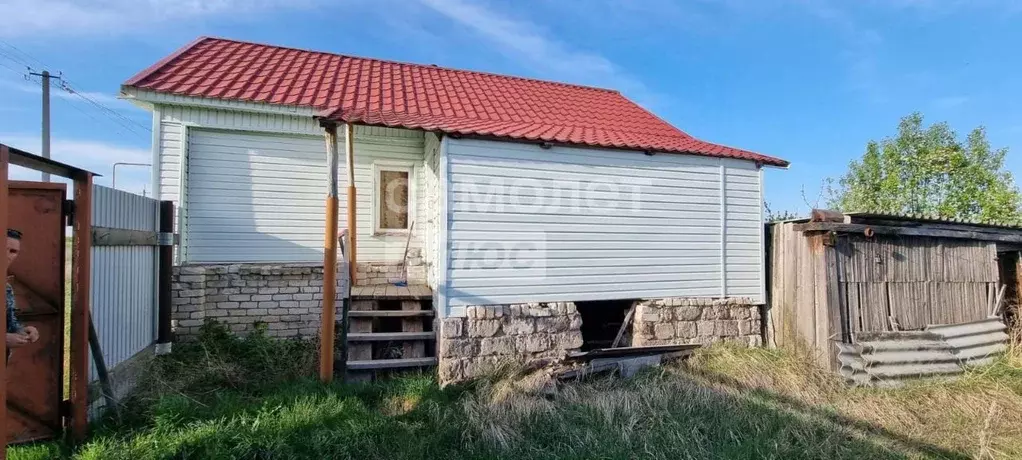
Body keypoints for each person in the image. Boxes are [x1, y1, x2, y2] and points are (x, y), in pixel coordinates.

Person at [6, 229, 39, 362]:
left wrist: (22, 331)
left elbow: (10, 322)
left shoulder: (6, 288)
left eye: (13, 251)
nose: (7, 255)